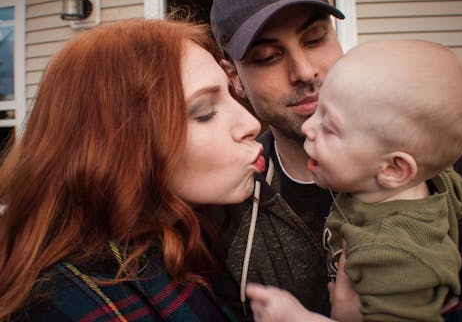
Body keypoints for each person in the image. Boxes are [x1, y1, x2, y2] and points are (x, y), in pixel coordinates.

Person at [209, 0, 462, 319]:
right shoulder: (229, 202)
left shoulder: (439, 161)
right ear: (233, 76)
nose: (304, 71)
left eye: (315, 38)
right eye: (267, 58)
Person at [0, 18, 266, 321]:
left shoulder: (185, 244)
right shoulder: (65, 305)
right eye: (204, 112)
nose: (251, 124)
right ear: (118, 146)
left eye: (234, 95)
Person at [245, 39, 462, 322]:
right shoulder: (438, 182)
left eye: (329, 127)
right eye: (318, 110)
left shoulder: (395, 257)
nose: (308, 127)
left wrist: (298, 319)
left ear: (393, 169)